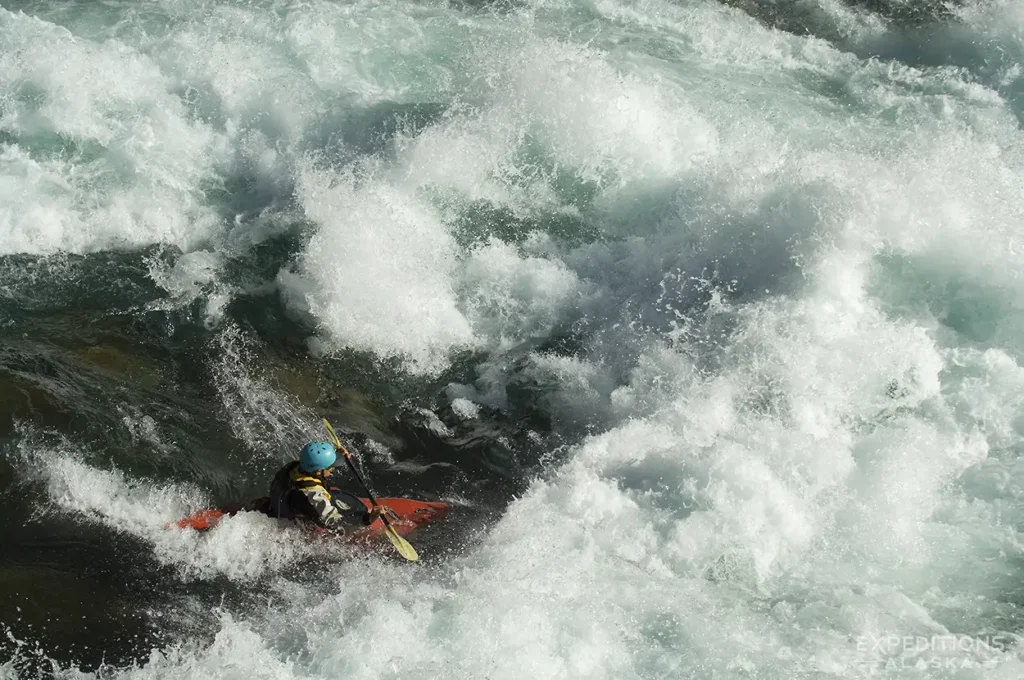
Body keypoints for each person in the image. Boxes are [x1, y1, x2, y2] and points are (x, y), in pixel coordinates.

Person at [267, 441, 386, 535]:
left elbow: (316, 461)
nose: (332, 471)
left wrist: (338, 455)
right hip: (297, 515)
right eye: (330, 468)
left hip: (283, 500)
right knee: (340, 508)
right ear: (318, 471)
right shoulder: (312, 494)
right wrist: (370, 518)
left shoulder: (299, 465)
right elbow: (335, 524)